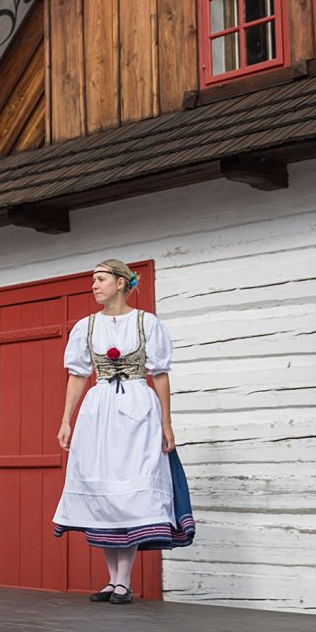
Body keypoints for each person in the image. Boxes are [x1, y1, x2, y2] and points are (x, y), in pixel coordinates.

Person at [53, 259, 194, 604]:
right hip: (99, 409)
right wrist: (66, 419)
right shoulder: (86, 327)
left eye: (101, 279)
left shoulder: (147, 323)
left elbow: (160, 374)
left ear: (120, 283)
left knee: (129, 491)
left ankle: (124, 581)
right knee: (105, 488)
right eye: (93, 280)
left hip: (138, 408)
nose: (94, 285)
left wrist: (166, 422)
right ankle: (113, 580)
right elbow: (77, 375)